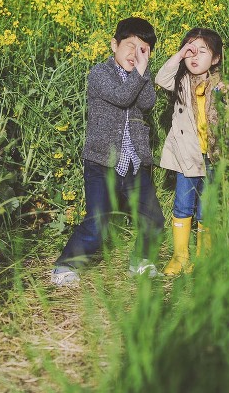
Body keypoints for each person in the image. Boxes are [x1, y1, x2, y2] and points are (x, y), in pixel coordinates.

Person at [51, 17, 165, 286]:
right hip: (102, 162)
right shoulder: (100, 74)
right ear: (114, 45)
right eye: (130, 45)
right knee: (98, 221)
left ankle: (141, 261)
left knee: (154, 220)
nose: (135, 53)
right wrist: (139, 74)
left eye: (143, 49)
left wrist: (143, 71)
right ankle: (65, 265)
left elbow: (148, 102)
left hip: (134, 163)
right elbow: (122, 96)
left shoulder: (140, 76)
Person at [155, 28, 226, 275]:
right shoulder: (181, 82)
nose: (194, 57)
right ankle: (180, 256)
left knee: (206, 207)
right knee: (183, 205)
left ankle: (204, 256)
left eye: (202, 51)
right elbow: (162, 78)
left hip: (214, 157)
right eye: (190, 51)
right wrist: (179, 55)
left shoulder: (222, 85)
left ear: (216, 58)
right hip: (188, 156)